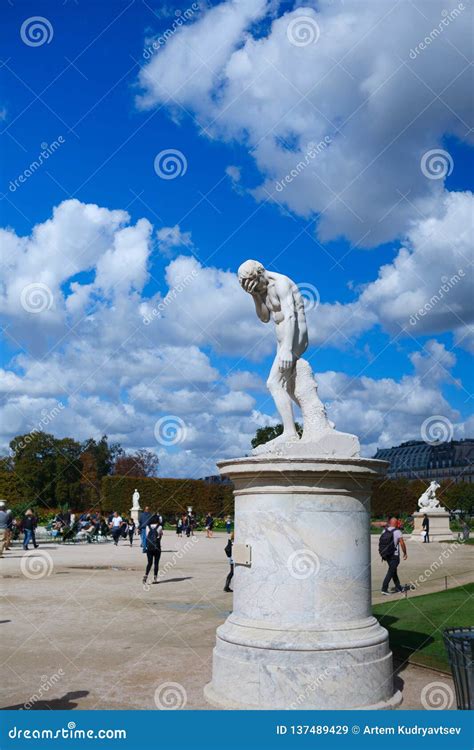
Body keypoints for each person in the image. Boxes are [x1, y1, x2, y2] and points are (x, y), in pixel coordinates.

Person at [379, 517, 407, 595]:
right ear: (395, 523)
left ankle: (398, 587)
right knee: (391, 571)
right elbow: (402, 543)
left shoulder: (384, 530)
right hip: (394, 555)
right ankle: (384, 589)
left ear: (390, 523)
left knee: (393, 570)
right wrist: (405, 553)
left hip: (386, 555)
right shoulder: (397, 531)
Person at [143, 516, 163, 586]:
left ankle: (145, 576)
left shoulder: (147, 527)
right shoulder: (160, 527)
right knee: (156, 563)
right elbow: (160, 536)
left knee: (149, 563)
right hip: (157, 547)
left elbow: (146, 536)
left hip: (149, 547)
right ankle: (155, 578)